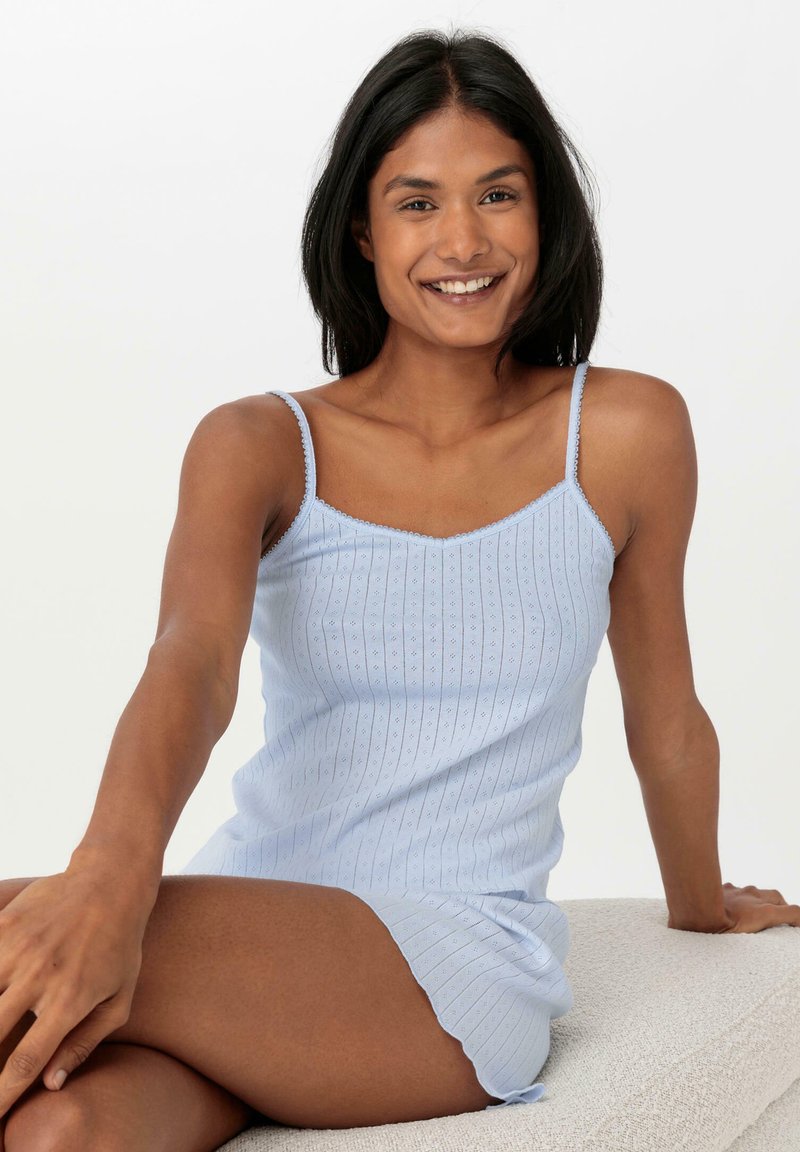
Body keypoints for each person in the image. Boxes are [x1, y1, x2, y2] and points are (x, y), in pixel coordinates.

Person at [1, 25, 797, 1151]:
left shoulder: (622, 432)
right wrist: (106, 871)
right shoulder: (257, 443)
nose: (462, 240)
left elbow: (664, 716)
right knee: (58, 1132)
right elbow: (190, 663)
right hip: (244, 926)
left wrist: (701, 903)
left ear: (546, 215)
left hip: (446, 960)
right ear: (362, 231)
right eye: (417, 202)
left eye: (498, 195)